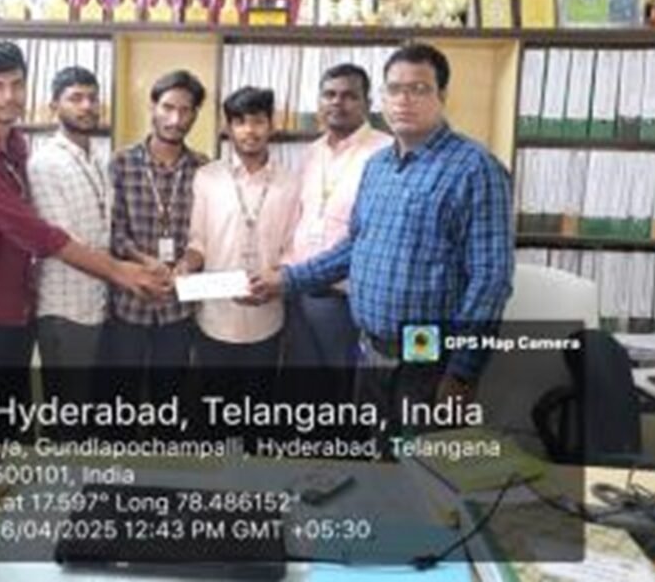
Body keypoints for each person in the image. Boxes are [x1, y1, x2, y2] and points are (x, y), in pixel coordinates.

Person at [250, 42, 514, 422]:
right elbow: (354, 247)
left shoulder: (475, 168)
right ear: (383, 98)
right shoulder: (377, 166)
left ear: (442, 96)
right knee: (372, 450)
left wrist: (463, 372)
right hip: (371, 351)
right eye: (395, 89)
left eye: (419, 88)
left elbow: (491, 280)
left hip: (428, 356)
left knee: (419, 456)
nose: (404, 100)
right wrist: (288, 279)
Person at [0, 41, 167, 411]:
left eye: (17, 84)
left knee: (10, 419)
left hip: (21, 303)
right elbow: (36, 233)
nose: (9, 96)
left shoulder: (16, 144)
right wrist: (120, 272)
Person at [281, 64, 391, 378]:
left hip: (346, 298)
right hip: (299, 291)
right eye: (329, 94)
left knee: (345, 390)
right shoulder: (310, 152)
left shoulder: (385, 152)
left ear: (368, 103)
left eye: (349, 96)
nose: (337, 102)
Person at [177, 87, 299, 367]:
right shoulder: (207, 177)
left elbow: (292, 248)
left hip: (267, 317)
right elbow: (198, 242)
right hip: (215, 317)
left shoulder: (291, 182)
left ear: (271, 125)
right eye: (240, 122)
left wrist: (274, 281)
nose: (249, 130)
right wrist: (186, 264)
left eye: (258, 121)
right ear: (228, 127)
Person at [104, 69, 208, 371]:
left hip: (180, 303)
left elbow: (206, 233)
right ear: (153, 107)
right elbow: (113, 229)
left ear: (195, 115)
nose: (175, 119)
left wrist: (186, 264)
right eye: (168, 107)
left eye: (185, 110)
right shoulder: (120, 162)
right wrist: (145, 260)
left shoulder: (204, 169)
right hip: (130, 301)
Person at [27, 66, 110, 401]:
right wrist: (127, 274)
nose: (86, 106)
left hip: (98, 303)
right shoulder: (44, 163)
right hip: (64, 310)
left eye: (92, 98)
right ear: (54, 107)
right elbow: (63, 243)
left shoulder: (99, 159)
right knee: (68, 411)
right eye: (75, 98)